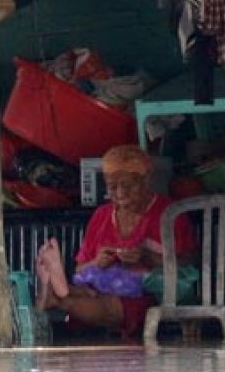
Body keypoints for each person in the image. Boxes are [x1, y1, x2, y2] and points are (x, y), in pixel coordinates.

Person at [36, 144, 195, 341]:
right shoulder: (101, 215)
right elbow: (80, 269)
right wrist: (97, 262)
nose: (120, 193)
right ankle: (60, 292)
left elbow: (188, 268)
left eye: (128, 185)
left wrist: (147, 257)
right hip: (100, 285)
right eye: (112, 187)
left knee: (114, 303)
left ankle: (58, 297)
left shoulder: (169, 213)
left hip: (147, 294)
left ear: (146, 180)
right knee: (89, 289)